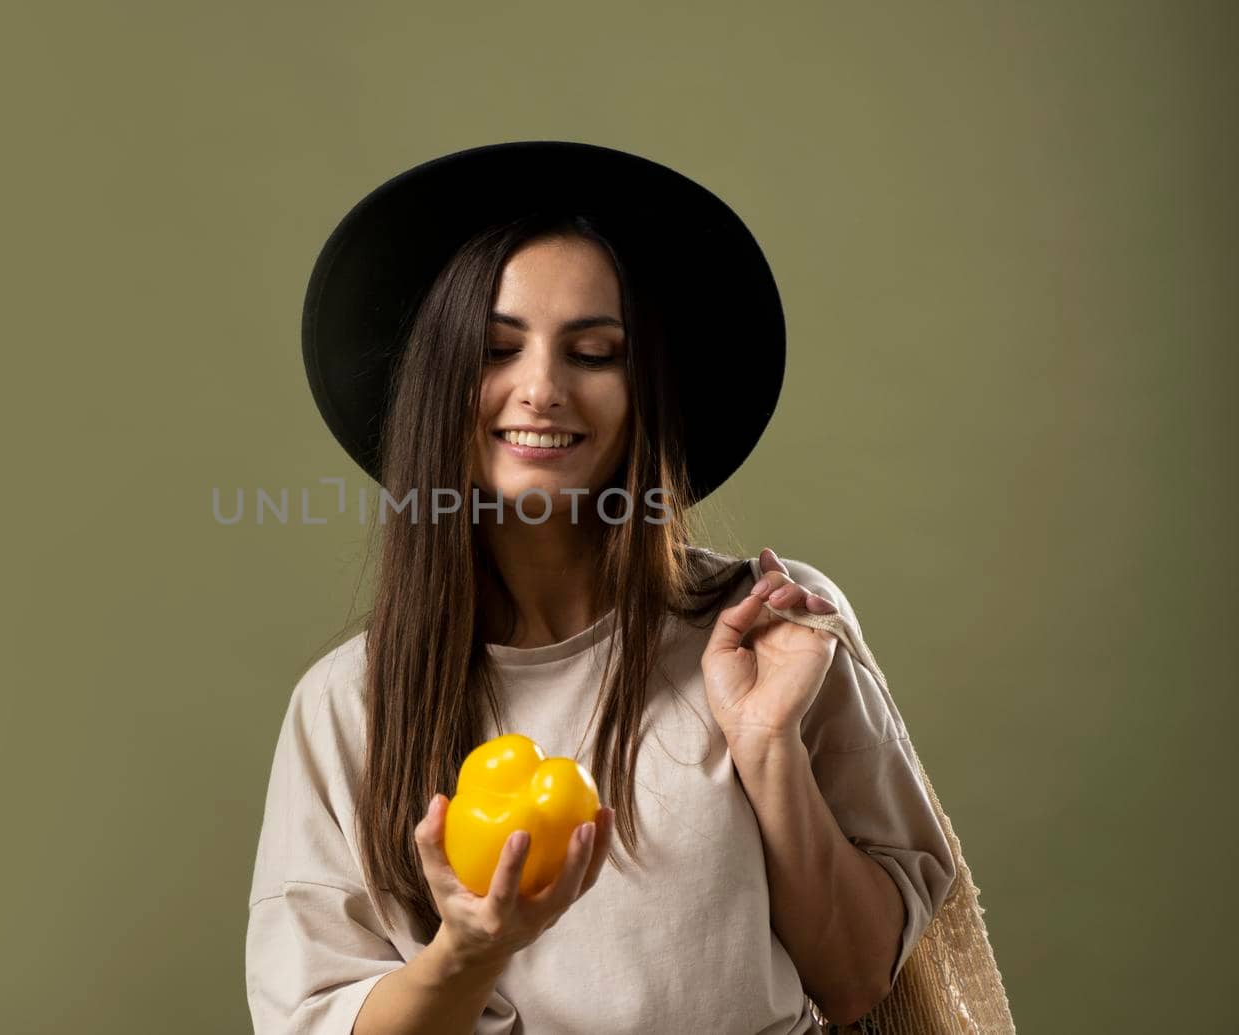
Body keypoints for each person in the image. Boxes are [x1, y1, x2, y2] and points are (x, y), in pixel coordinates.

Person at [246, 142, 960, 1034]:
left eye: (593, 353)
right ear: (438, 385)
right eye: (497, 348)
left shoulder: (771, 635)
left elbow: (857, 983)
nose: (541, 389)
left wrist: (768, 746)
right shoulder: (348, 706)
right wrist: (469, 949)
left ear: (645, 395)